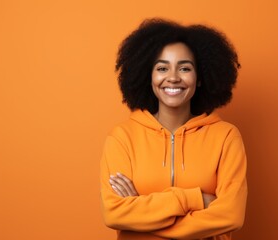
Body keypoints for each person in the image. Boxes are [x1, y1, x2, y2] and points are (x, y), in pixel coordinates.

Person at [100, 18, 247, 240]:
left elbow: (232, 216)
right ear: (148, 76)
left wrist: (141, 213)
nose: (173, 77)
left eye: (185, 68)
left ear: (199, 78)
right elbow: (113, 214)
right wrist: (196, 200)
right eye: (162, 68)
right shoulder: (122, 138)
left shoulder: (225, 137)